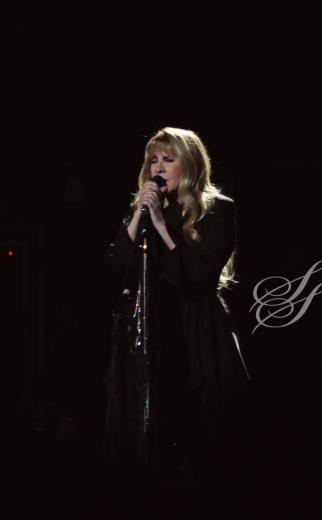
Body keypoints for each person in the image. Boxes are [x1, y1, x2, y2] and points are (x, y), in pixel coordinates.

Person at [103, 127, 250, 484]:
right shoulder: (145, 210)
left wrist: (160, 226)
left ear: (189, 164)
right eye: (153, 159)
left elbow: (198, 276)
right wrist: (138, 216)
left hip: (196, 327)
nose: (158, 167)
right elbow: (116, 265)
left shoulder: (217, 210)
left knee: (200, 432)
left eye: (168, 159)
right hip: (154, 325)